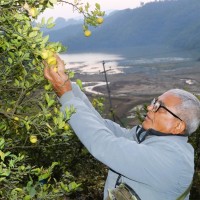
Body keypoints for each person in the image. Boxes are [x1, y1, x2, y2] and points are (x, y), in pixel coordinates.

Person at [44, 54, 200, 200]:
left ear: (178, 126)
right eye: (154, 102)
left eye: (159, 107)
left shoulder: (170, 161)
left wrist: (66, 95)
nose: (149, 108)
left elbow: (103, 143)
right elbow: (102, 127)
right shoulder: (152, 139)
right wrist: (67, 86)